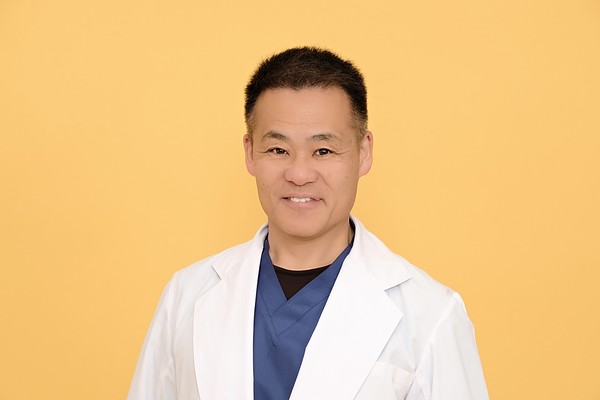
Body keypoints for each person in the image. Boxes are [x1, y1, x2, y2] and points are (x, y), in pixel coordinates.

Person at [128, 47, 489, 400]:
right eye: (278, 150)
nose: (299, 174)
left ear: (364, 152)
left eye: (324, 151)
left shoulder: (430, 315)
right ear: (250, 152)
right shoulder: (186, 296)